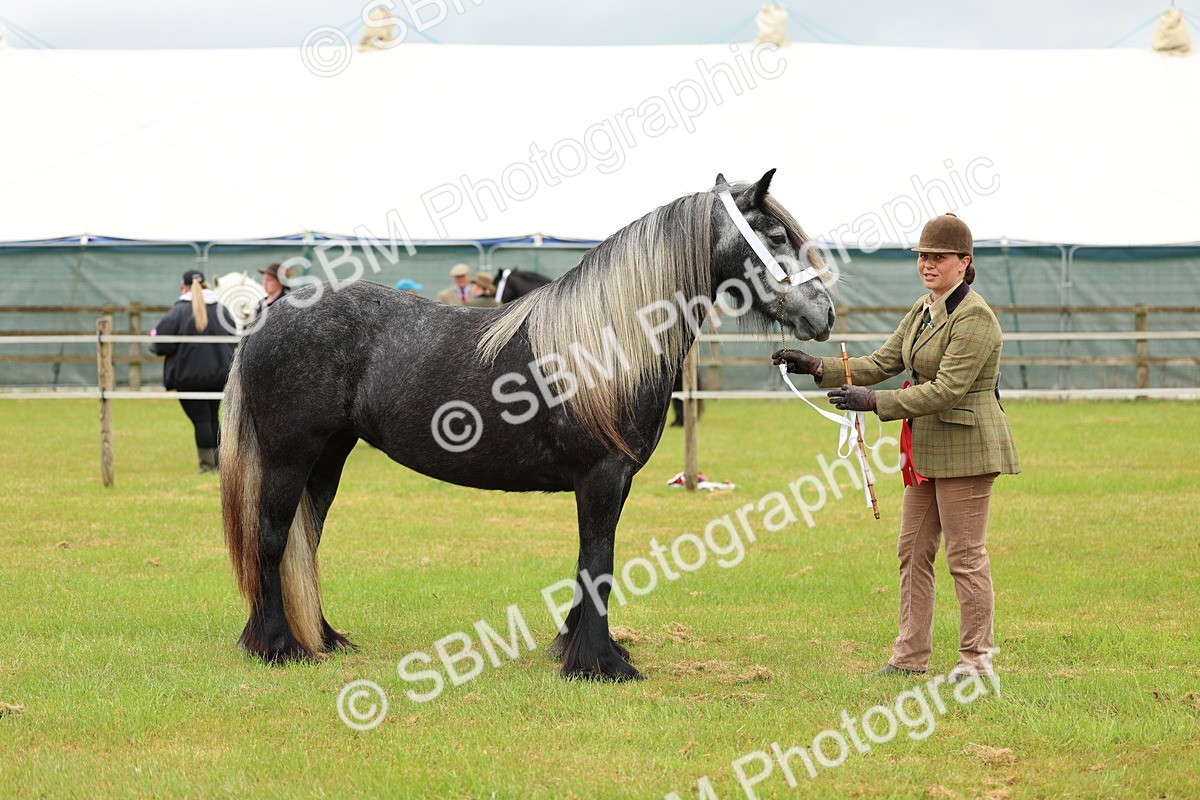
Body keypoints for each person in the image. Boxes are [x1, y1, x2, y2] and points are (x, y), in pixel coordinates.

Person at [773, 213, 1019, 681]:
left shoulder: (976, 318)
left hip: (968, 446)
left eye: (938, 257)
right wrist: (816, 366)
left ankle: (976, 661)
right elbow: (883, 360)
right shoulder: (923, 308)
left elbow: (946, 389)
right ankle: (909, 658)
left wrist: (876, 402)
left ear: (964, 262)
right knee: (912, 551)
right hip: (928, 447)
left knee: (965, 558)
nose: (927, 264)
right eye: (923, 256)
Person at [150, 270, 237, 473]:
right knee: (212, 417)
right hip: (219, 375)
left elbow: (161, 344)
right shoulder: (222, 310)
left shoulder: (178, 311)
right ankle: (219, 464)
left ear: (184, 287)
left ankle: (207, 465)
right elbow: (234, 338)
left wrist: (153, 335)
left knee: (201, 420)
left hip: (188, 377)